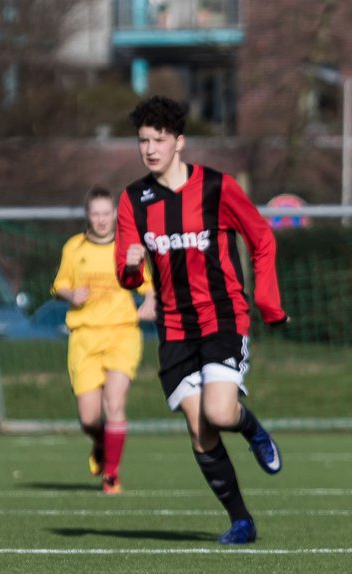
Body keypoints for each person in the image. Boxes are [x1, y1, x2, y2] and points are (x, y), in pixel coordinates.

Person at [115, 95, 288, 545]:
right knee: (200, 428)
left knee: (219, 412)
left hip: (223, 318)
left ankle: (252, 428)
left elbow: (261, 238)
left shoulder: (217, 187)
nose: (150, 148)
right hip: (173, 330)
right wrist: (133, 264)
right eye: (142, 141)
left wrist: (268, 304)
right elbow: (125, 271)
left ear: (180, 142)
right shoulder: (134, 199)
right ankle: (241, 520)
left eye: (159, 139)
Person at [52, 187, 157, 495]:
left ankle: (111, 474)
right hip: (84, 337)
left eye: (106, 213)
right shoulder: (74, 247)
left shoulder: (128, 247)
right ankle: (100, 443)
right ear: (88, 215)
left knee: (115, 403)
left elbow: (148, 285)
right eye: (95, 213)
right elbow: (59, 284)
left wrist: (150, 301)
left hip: (122, 333)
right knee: (88, 417)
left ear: (114, 214)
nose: (100, 219)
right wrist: (71, 294)